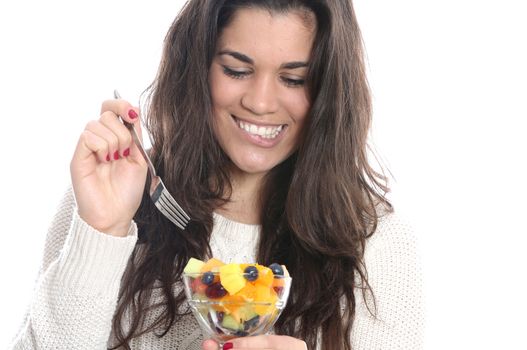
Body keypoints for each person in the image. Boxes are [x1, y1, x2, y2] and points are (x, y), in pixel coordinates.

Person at [9, 0, 424, 349]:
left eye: (294, 79)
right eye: (236, 70)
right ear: (198, 67)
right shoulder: (114, 191)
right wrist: (103, 230)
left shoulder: (377, 242)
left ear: (328, 90)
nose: (261, 103)